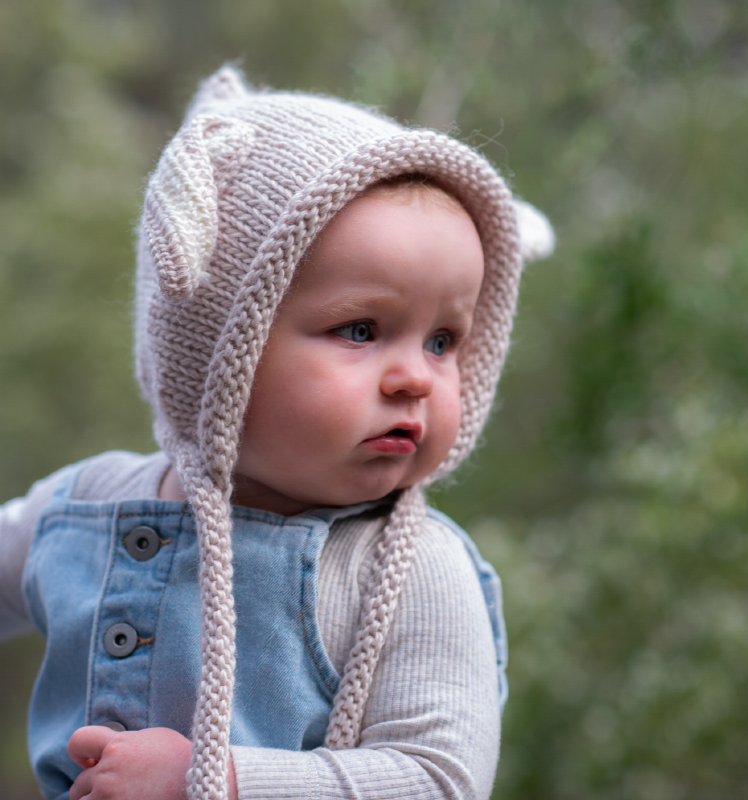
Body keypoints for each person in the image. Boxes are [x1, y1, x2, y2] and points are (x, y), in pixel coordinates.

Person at [0, 66, 554, 800]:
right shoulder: (84, 506)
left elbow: (437, 780)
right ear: (215, 343)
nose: (415, 378)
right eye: (361, 330)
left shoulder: (413, 571)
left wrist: (215, 782)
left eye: (443, 341)